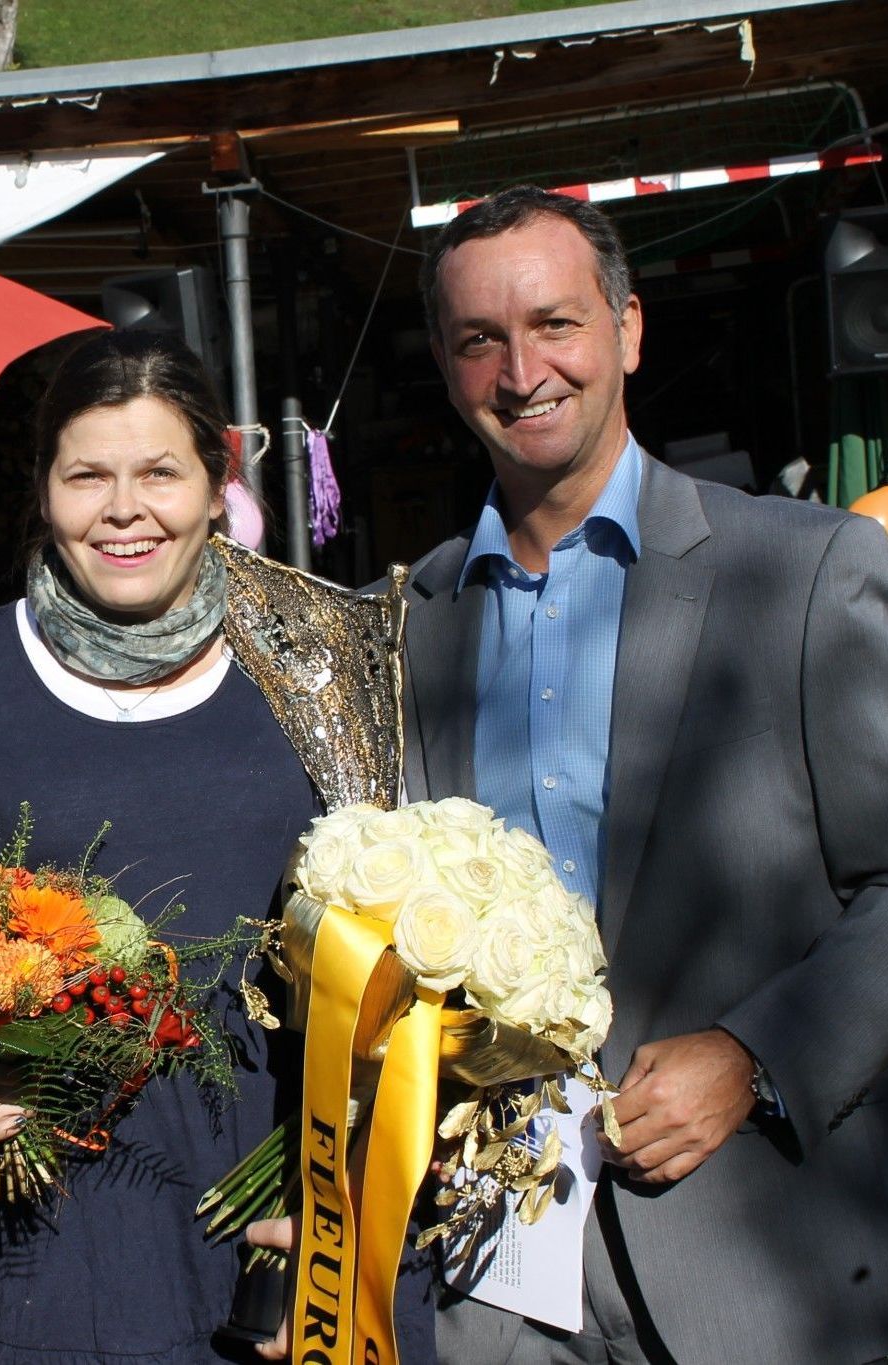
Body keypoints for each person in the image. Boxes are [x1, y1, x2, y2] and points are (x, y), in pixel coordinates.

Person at [404, 185, 888, 1364]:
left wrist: (755, 1056)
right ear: (443, 362)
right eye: (479, 339)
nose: (521, 371)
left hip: (761, 1264)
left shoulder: (805, 570)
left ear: (625, 329)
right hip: (499, 1289)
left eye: (555, 324)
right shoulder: (406, 621)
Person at [0, 328, 427, 1364]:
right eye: (86, 476)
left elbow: (398, 943)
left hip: (294, 1168)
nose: (122, 509)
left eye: (158, 472)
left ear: (213, 482)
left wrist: (340, 1219)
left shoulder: (314, 653)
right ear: (44, 489)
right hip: (78, 1195)